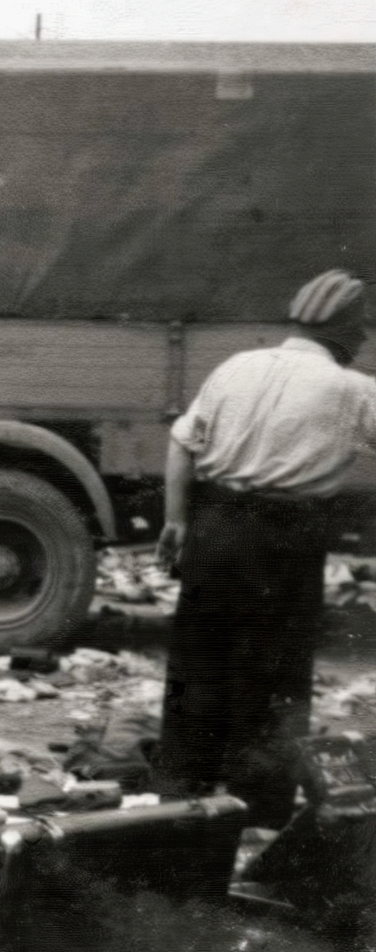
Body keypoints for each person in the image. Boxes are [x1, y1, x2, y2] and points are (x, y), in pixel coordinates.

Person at [155, 269, 376, 827]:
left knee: (199, 668)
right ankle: (259, 814)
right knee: (273, 680)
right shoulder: (353, 390)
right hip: (285, 540)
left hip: (214, 528)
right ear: (350, 336)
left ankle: (180, 805)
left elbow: (183, 443)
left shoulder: (237, 366)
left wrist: (177, 523)